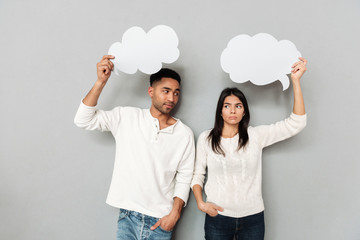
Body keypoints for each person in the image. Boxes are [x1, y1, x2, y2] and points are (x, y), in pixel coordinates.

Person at [74, 55, 195, 240]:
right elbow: (82, 119)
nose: (171, 97)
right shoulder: (127, 117)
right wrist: (101, 81)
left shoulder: (184, 134)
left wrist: (175, 214)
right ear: (151, 91)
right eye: (166, 91)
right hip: (127, 218)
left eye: (176, 92)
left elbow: (186, 176)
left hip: (160, 220)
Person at [191, 58, 308, 240]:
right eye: (227, 106)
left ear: (244, 111)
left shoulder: (255, 136)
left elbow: (297, 123)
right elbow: (197, 174)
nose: (232, 111)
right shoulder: (206, 138)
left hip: (253, 218)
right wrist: (201, 203)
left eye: (238, 106)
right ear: (220, 111)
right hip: (218, 217)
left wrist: (296, 81)